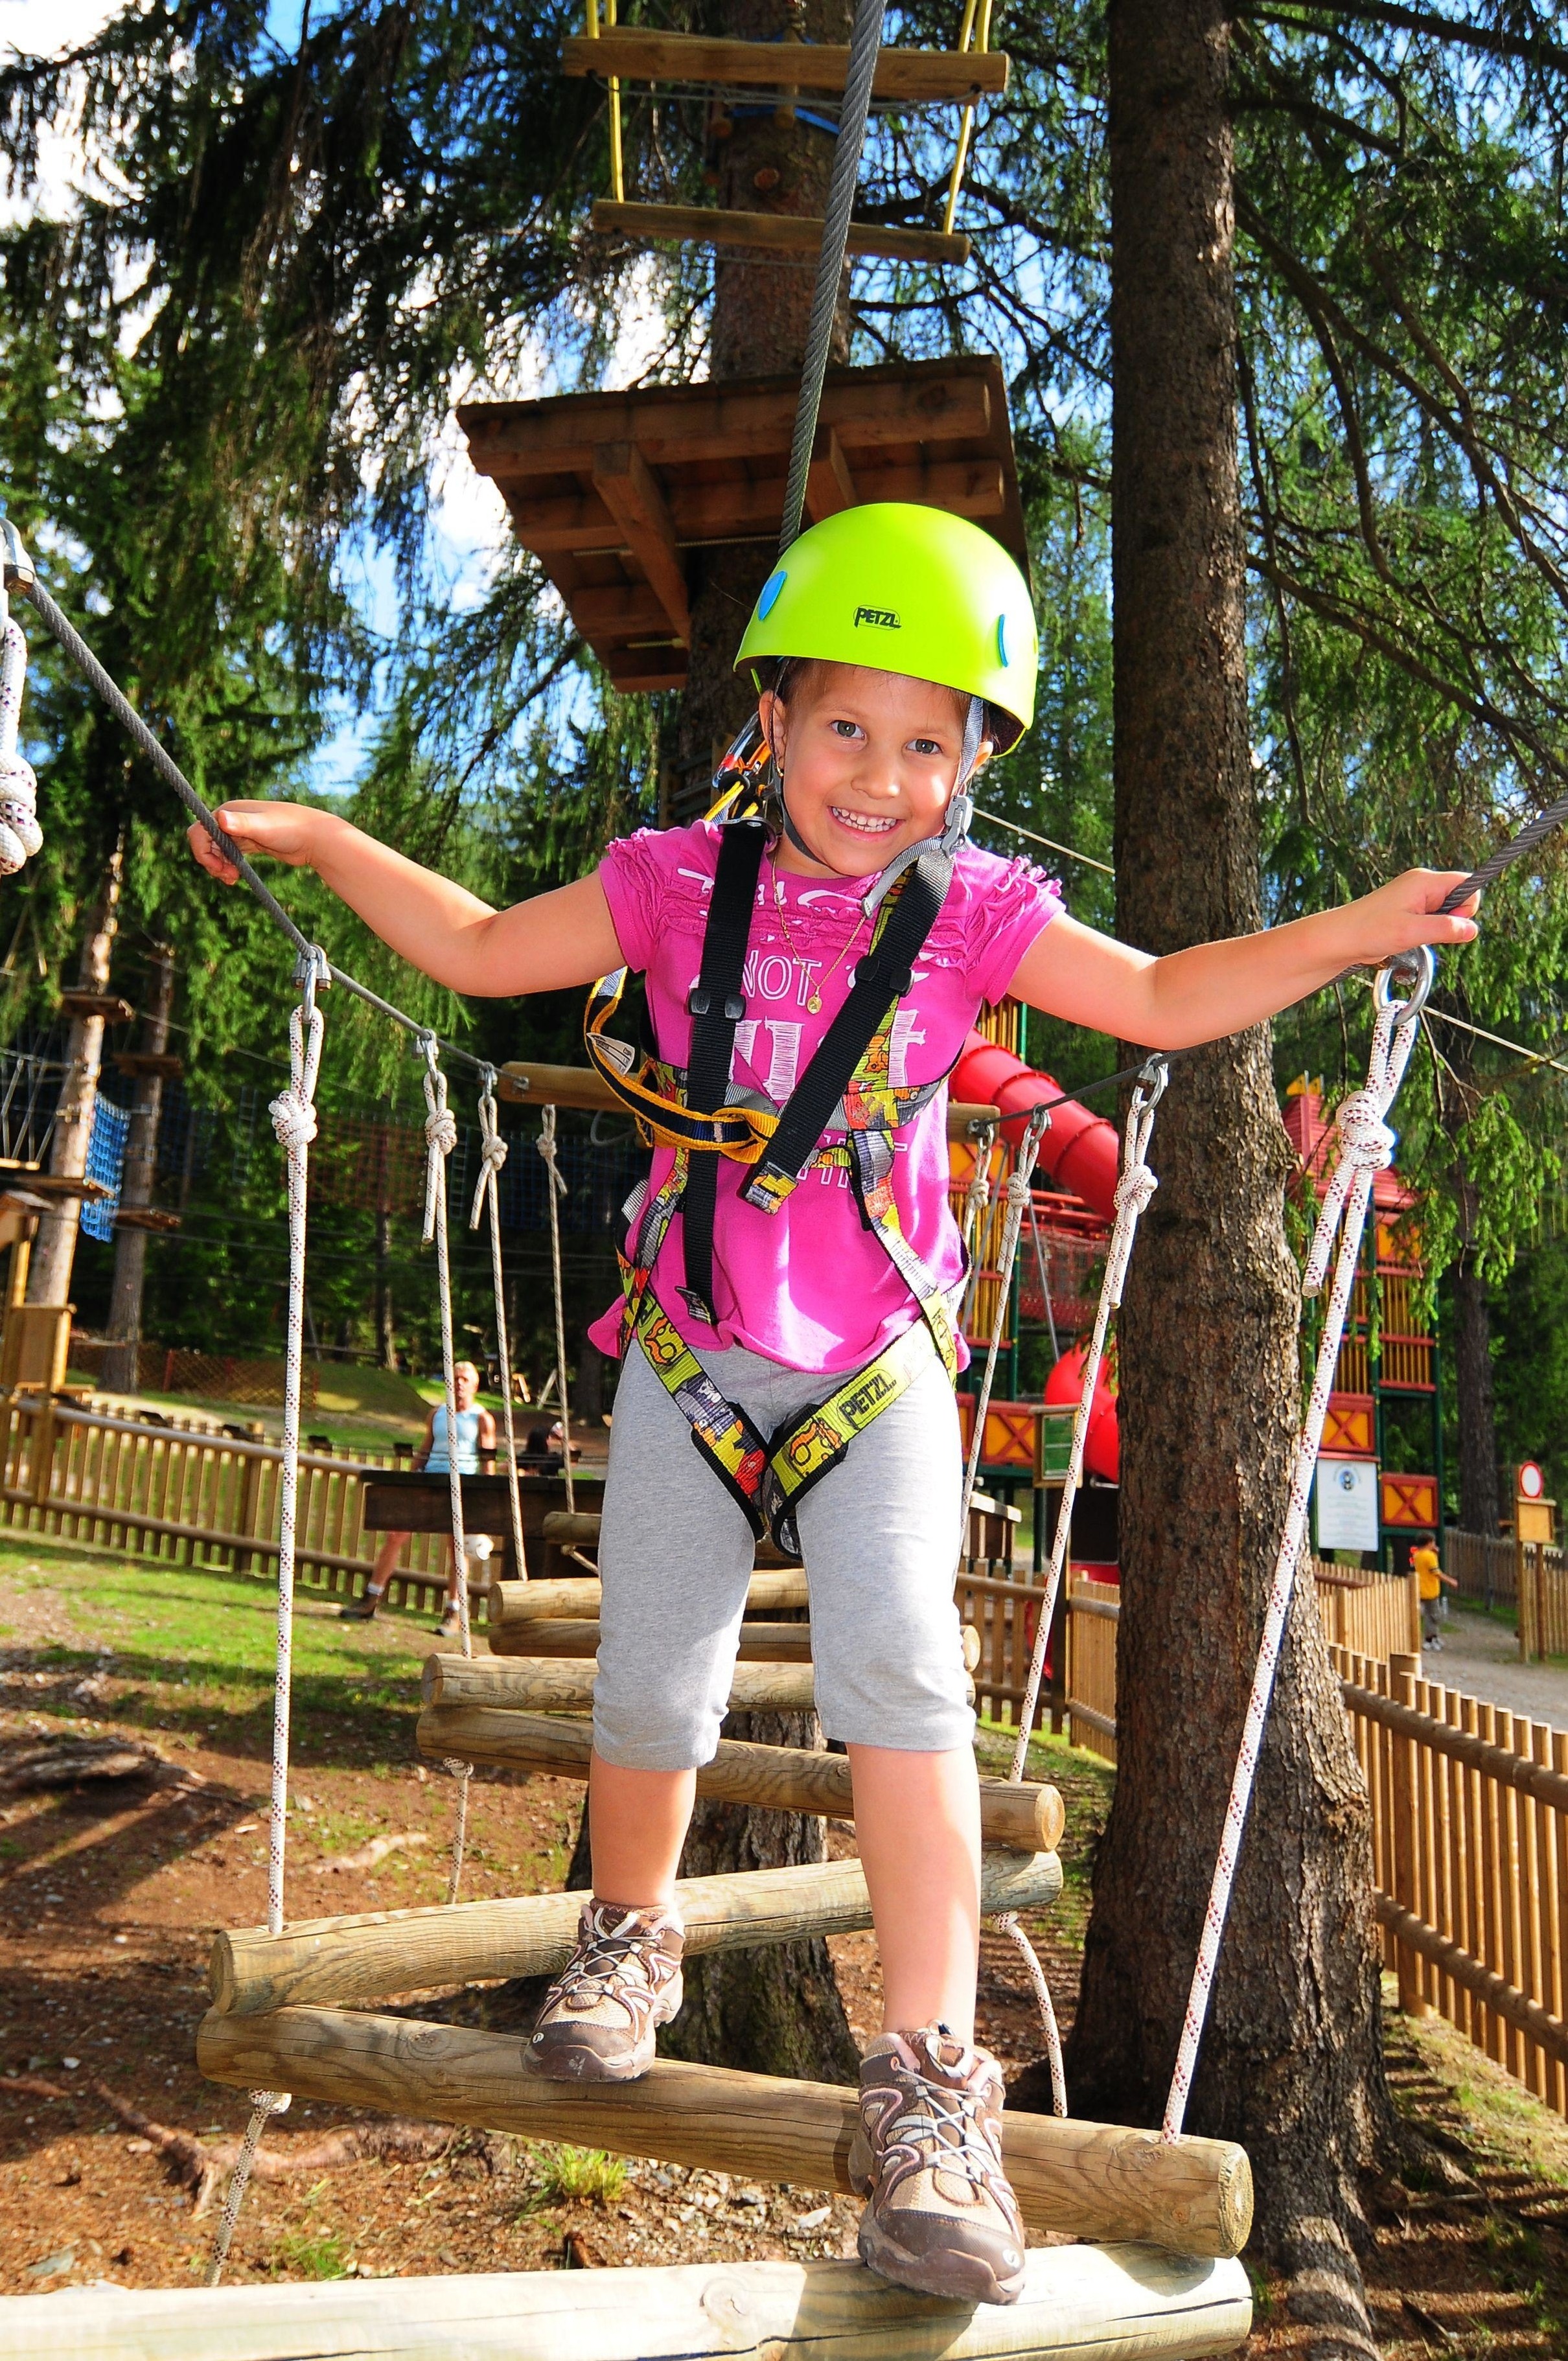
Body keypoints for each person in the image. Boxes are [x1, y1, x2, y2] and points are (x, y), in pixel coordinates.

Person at [189, 502, 1479, 2307]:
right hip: (691, 1350)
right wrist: (331, 843)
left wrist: (1345, 933)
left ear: (974, 764)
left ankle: (932, 2085)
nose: (881, 775)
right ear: (774, 720)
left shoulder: (974, 916)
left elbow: (1161, 996)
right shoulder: (667, 885)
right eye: (847, 727)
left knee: (903, 1679)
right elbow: (480, 946)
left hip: (875, 1364)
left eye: (928, 742)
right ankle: (626, 1937)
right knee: (653, 1676)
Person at [341, 1359, 496, 1636]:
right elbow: (425, 1450)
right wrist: (410, 1481)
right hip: (428, 1482)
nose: (459, 1384)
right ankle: (371, 1598)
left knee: (457, 1548)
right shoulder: (437, 1414)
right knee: (395, 1535)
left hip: (460, 1485)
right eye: (455, 1378)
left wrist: (484, 1499)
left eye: (465, 1379)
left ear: (475, 1385)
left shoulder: (482, 1419)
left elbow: (488, 1462)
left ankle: (454, 1612)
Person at [1412, 1531, 1455, 1650]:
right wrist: (1450, 1581)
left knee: (1431, 1615)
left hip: (1421, 1589)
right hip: (1430, 1591)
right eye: (1433, 1542)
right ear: (1429, 1543)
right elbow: (1436, 1572)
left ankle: (1434, 1637)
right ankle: (1429, 1640)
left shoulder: (1417, 1555)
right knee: (1434, 1616)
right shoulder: (1429, 1556)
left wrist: (1435, 1554)